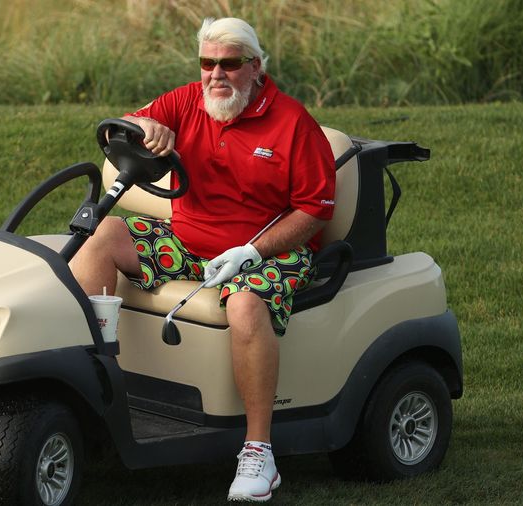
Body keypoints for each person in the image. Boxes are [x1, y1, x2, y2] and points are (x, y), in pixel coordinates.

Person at [70, 17, 335, 502]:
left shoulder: (294, 123)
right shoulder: (185, 101)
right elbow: (121, 132)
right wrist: (146, 125)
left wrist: (252, 251)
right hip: (189, 243)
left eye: (229, 64)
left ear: (255, 68)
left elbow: (316, 210)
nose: (216, 74)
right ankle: (96, 382)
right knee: (103, 234)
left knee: (245, 304)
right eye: (207, 63)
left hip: (270, 248)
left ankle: (259, 451)